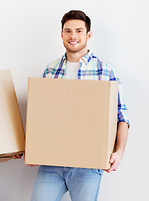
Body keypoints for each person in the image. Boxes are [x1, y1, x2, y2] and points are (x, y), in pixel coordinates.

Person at [30, 10, 130, 201]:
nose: (73, 36)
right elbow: (40, 115)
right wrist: (35, 149)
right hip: (52, 162)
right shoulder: (51, 69)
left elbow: (121, 115)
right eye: (68, 31)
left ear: (88, 35)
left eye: (78, 31)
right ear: (61, 35)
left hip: (88, 163)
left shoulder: (105, 69)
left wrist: (119, 151)